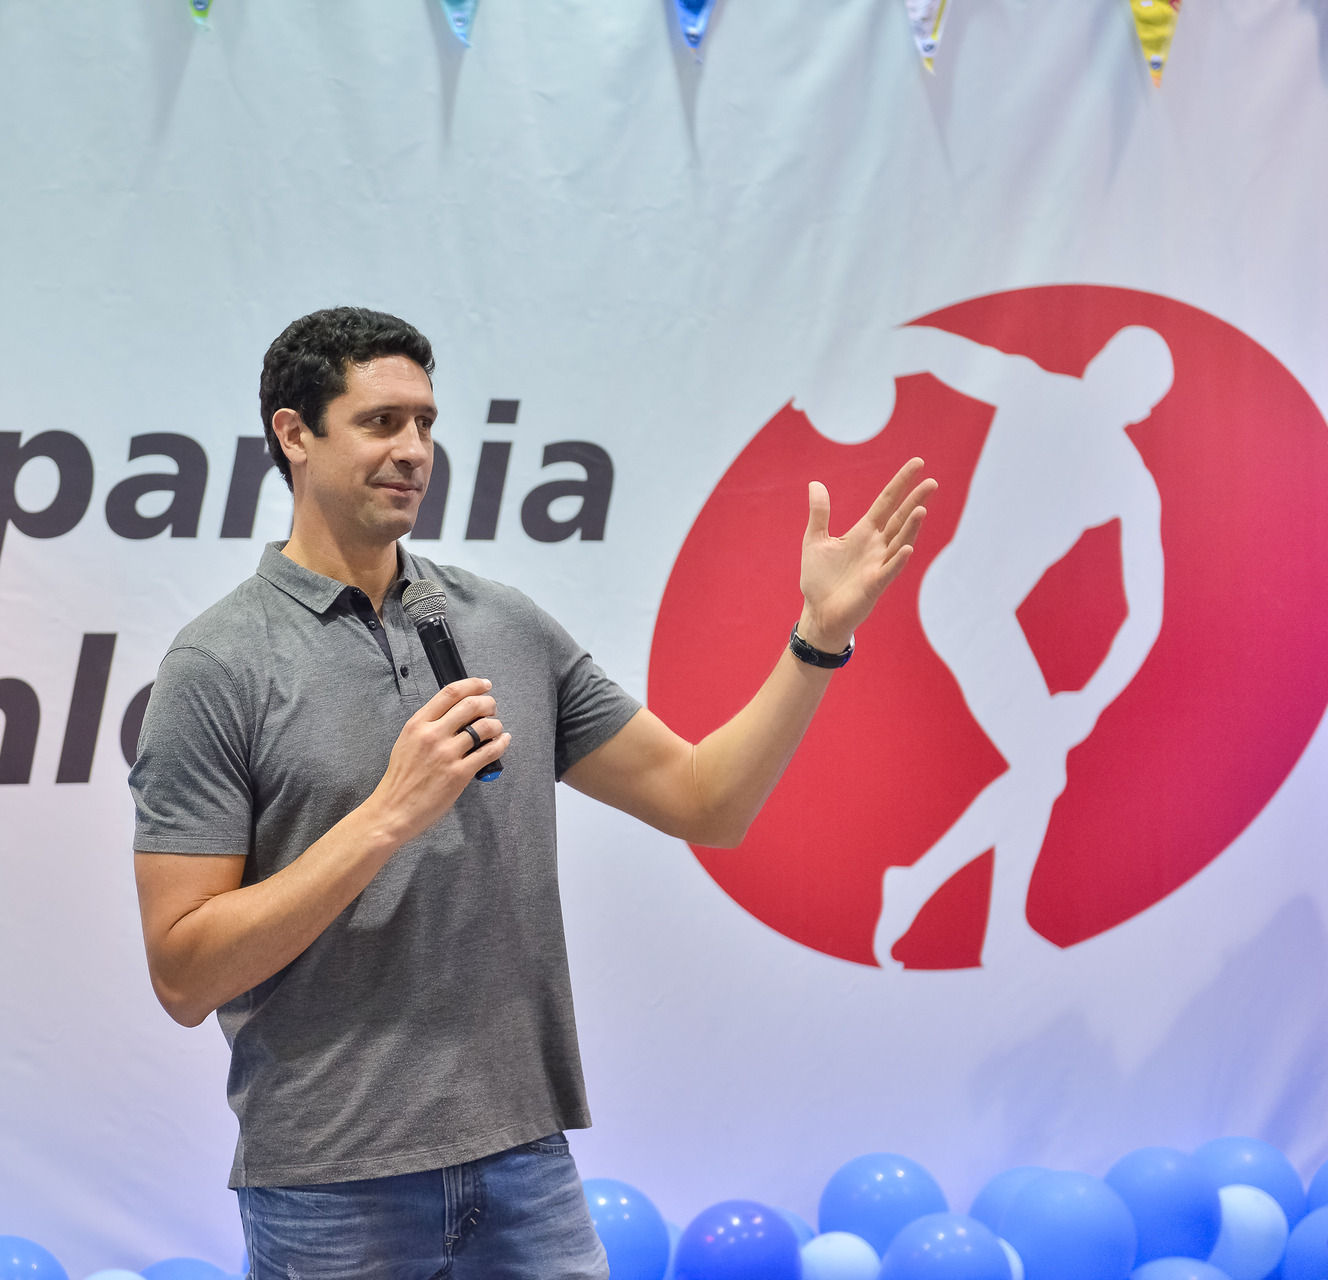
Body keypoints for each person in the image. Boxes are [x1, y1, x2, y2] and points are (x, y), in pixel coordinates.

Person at [129, 307, 934, 1278]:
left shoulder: (503, 624)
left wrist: (818, 638)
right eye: (380, 422)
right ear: (294, 434)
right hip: (331, 1182)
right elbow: (185, 973)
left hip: (525, 1161)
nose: (414, 449)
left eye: (425, 422)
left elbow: (706, 802)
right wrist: (386, 816)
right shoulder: (218, 665)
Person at [869, 325, 1171, 968]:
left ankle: (960, 908)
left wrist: (1089, 701)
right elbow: (938, 353)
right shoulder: (1079, 432)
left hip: (973, 608)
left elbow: (1147, 613)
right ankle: (939, 897)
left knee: (1040, 771)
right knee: (1040, 770)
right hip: (963, 604)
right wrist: (866, 351)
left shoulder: (1116, 466)